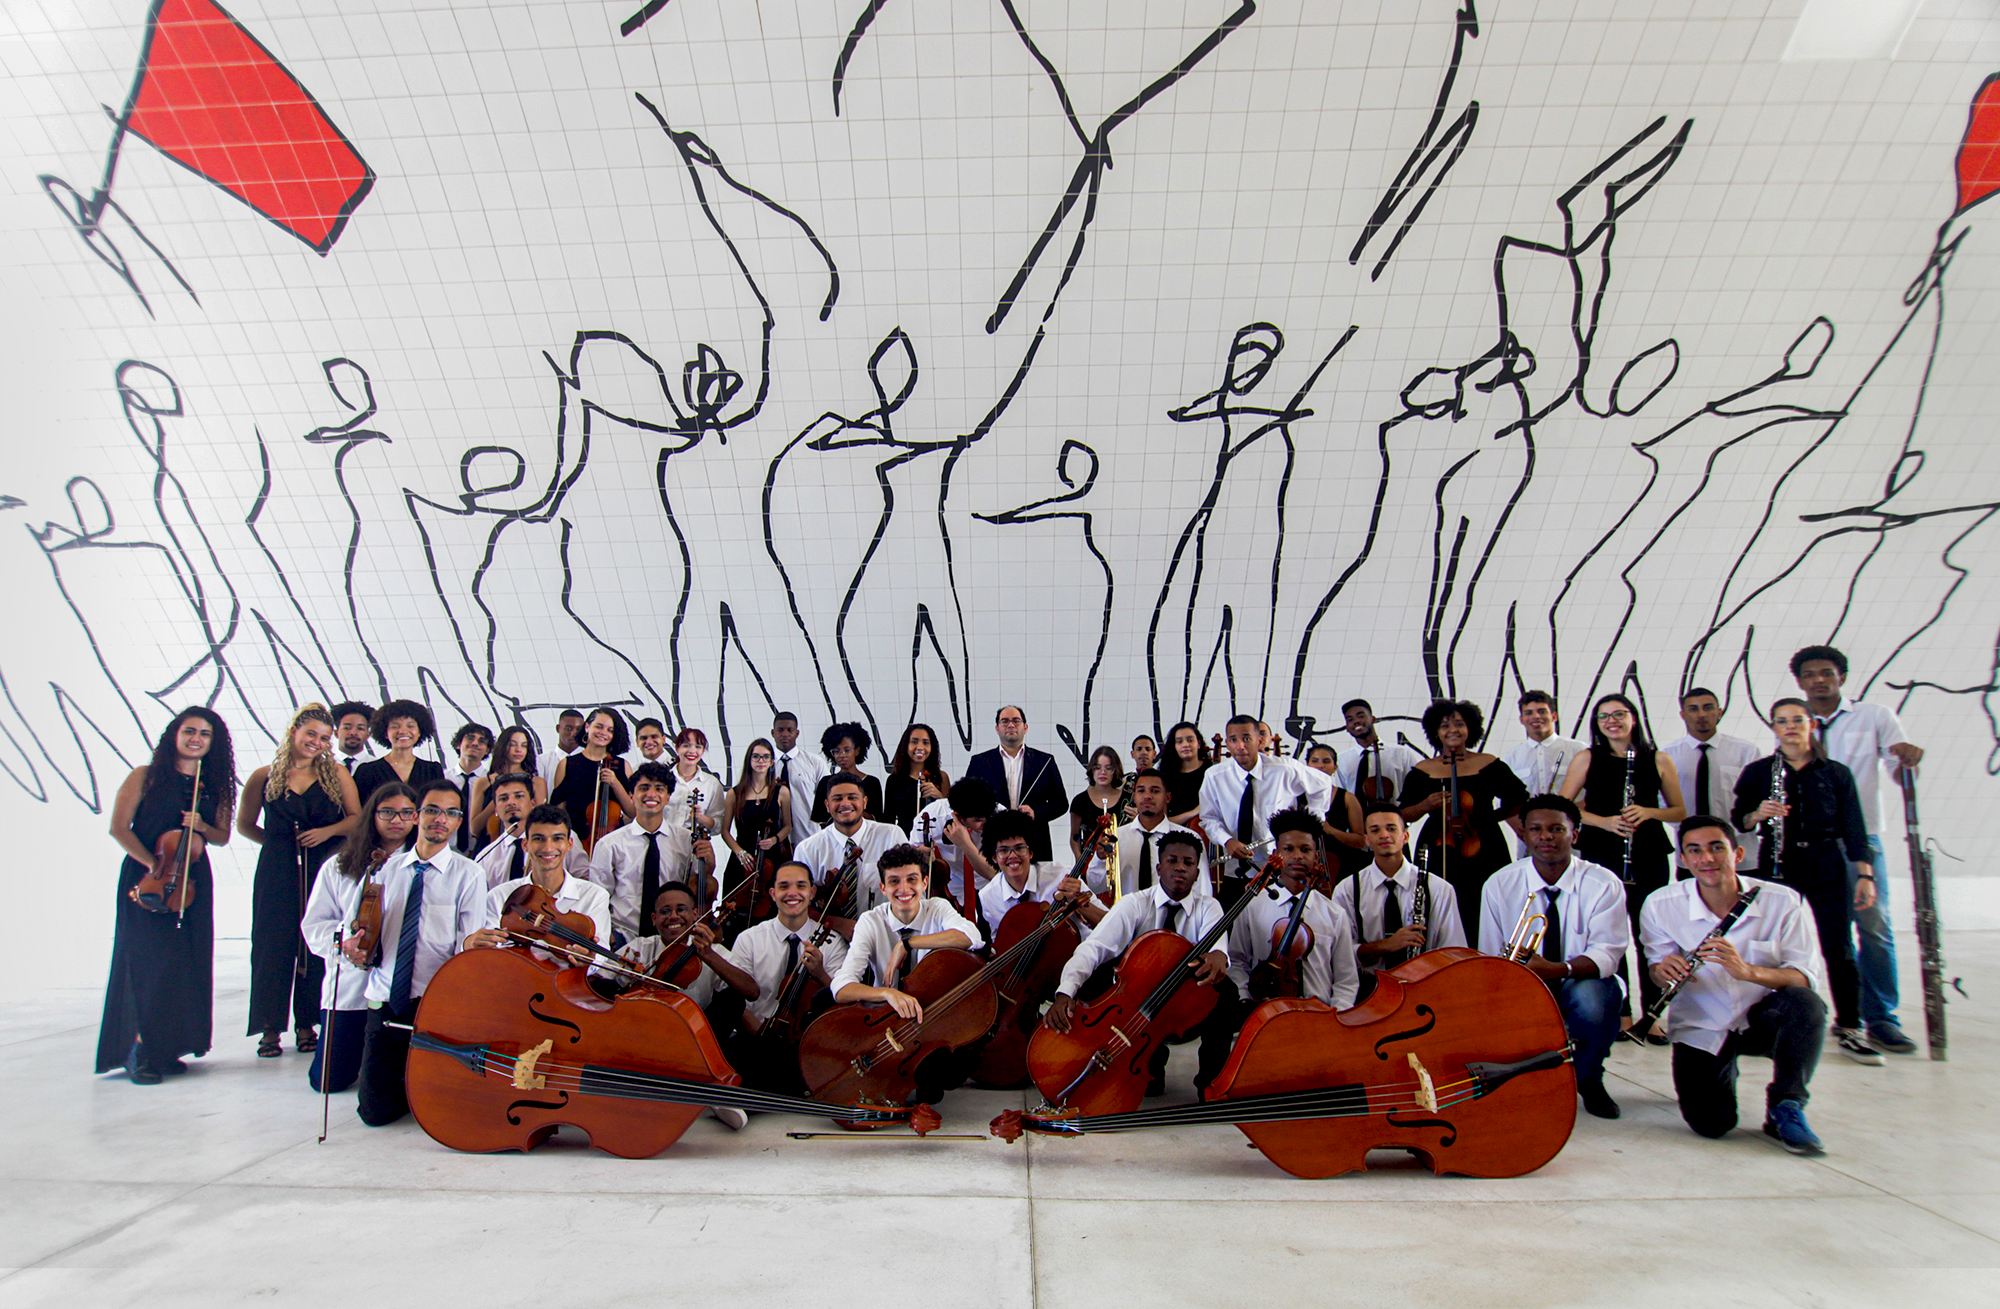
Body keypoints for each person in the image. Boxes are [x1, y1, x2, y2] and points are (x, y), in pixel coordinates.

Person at [1642, 816, 1830, 1154]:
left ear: (1737, 854)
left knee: (1805, 1004)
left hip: (1764, 1019)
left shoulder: (1782, 901)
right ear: (1683, 860)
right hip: (1703, 1022)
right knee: (1712, 1124)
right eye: (1695, 851)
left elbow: (1805, 976)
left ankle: (1787, 1105)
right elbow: (1656, 971)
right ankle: (1721, 1072)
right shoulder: (1660, 905)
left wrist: (1748, 971)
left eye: (1717, 848)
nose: (1707, 859)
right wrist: (1662, 970)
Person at [1794, 644, 1926, 1056]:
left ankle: (1882, 1018)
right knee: (1821, 934)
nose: (1819, 679)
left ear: (1842, 678)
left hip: (1859, 841)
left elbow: (1900, 774)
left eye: (1827, 672)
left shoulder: (1875, 717)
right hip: (1811, 843)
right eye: (1810, 674)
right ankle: (1837, 1015)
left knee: (1874, 927)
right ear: (1800, 682)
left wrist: (1909, 763)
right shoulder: (1796, 720)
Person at [1731, 698, 1879, 1065]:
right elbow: (1739, 820)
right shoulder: (1759, 771)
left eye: (1797, 720)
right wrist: (1757, 814)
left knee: (1838, 945)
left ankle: (1850, 1026)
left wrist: (1864, 873)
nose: (1790, 727)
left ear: (1811, 724)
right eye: (1782, 721)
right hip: (1777, 862)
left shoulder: (1836, 773)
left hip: (1826, 861)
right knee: (1770, 945)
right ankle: (1770, 1021)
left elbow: (1855, 826)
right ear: (1774, 728)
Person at [96, 708, 237, 1084]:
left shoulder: (214, 786)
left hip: (191, 881)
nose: (196, 739)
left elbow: (221, 837)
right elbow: (118, 828)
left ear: (213, 743)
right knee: (147, 962)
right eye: (189, 731)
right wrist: (153, 865)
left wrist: (202, 825)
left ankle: (167, 1047)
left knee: (183, 962)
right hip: (147, 878)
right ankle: (138, 1050)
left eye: (205, 734)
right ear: (173, 735)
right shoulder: (145, 776)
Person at [1476, 795, 1630, 1119]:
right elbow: (1490, 953)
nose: (1546, 836)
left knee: (1594, 1000)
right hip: (1523, 982)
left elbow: (1608, 953)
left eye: (1557, 829)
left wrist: (1558, 969)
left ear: (1574, 834)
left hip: (1581, 979)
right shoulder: (1499, 884)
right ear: (1524, 834)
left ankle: (1588, 1078)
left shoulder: (1604, 883)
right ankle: (1529, 1080)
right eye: (1536, 829)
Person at [344, 781, 487, 1127]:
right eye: (433, 810)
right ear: (416, 816)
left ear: (457, 822)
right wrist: (352, 947)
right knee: (374, 1114)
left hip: (435, 1002)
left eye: (451, 813)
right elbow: (354, 929)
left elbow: (468, 942)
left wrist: (471, 947)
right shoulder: (382, 869)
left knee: (440, 1111)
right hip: (385, 1000)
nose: (441, 819)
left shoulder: (469, 874)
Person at [1044, 832, 1229, 1096]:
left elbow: (1218, 947)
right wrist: (1065, 992)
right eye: (1172, 860)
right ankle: (1132, 1056)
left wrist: (1218, 955)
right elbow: (1093, 948)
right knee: (1095, 979)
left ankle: (1211, 1084)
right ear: (1159, 867)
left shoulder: (1209, 907)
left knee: (1226, 993)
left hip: (1183, 1007)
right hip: (1136, 1003)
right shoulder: (1135, 904)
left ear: (1197, 873)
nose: (1180, 867)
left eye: (1188, 863)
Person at [238, 704, 361, 1059]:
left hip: (321, 865)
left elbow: (355, 819)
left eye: (324, 738)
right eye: (311, 734)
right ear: (294, 732)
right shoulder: (265, 775)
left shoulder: (336, 775)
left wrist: (326, 833)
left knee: (315, 944)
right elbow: (245, 824)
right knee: (271, 945)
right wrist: (277, 846)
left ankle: (307, 1024)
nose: (317, 742)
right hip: (277, 870)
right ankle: (269, 1028)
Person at [1560, 692, 1686, 1024]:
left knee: (1652, 936)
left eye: (1619, 714)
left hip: (1649, 853)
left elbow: (1678, 811)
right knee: (1611, 935)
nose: (1612, 721)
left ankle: (1656, 1016)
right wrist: (1605, 822)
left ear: (1633, 718)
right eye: (1604, 716)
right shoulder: (1587, 758)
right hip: (1603, 851)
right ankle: (1622, 1012)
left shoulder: (1658, 759)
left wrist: (1648, 811)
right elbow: (1564, 808)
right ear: (1596, 723)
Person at [827, 844, 985, 1103]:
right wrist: (887, 993)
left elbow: (972, 936)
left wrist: (908, 944)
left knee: (947, 1077)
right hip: (884, 1021)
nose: (903, 889)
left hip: (928, 1022)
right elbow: (841, 987)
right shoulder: (870, 920)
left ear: (924, 883)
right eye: (894, 882)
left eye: (912, 880)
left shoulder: (937, 907)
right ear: (883, 888)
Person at [300, 782, 417, 1094]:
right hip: (349, 987)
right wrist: (342, 943)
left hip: (396, 990)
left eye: (407, 813)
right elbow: (315, 925)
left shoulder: (419, 868)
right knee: (328, 1081)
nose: (397, 820)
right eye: (388, 812)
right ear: (372, 816)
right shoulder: (339, 866)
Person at [1397, 698, 1528, 935]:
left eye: (1459, 724)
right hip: (1438, 844)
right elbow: (1404, 814)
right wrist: (1427, 804)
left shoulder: (1488, 763)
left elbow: (1519, 799)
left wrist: (1489, 818)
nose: (1453, 730)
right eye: (1445, 725)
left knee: (1488, 899)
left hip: (1484, 841)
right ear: (1436, 732)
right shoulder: (1423, 769)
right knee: (1439, 901)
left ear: (1471, 729)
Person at [725, 862, 850, 1093]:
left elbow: (841, 1003)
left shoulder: (832, 941)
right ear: (772, 894)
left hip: (806, 1044)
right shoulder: (749, 939)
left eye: (800, 886)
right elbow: (735, 999)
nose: (792, 893)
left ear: (812, 892)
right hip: (755, 1037)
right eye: (784, 887)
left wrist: (820, 973)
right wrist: (760, 1035)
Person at [1227, 809, 1360, 1014]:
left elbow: (1346, 979)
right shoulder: (1252, 906)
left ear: (1316, 857)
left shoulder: (1335, 914)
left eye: (1305, 849)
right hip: (1265, 1014)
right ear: (1275, 855)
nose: (1297, 856)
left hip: (1319, 1015)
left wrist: (1336, 1015)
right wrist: (1245, 1001)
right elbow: (1238, 962)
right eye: (1288, 849)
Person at [1330, 804, 1465, 1000]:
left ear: (1405, 836)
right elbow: (1340, 954)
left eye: (1391, 828)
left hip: (1425, 990)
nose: (1384, 835)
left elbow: (1453, 952)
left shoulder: (1438, 888)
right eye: (1375, 830)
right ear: (1366, 839)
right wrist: (1388, 945)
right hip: (1368, 991)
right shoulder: (1348, 889)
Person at [1198, 714, 1330, 904]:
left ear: (1259, 740)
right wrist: (1227, 841)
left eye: (1246, 739)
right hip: (1236, 869)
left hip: (1279, 868)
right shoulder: (1214, 776)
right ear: (1227, 742)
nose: (1240, 746)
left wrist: (1309, 825)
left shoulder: (1284, 769)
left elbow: (1323, 785)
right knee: (1230, 924)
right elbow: (1209, 819)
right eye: (1233, 740)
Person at [465, 804, 613, 957]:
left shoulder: (594, 896)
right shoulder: (499, 896)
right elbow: (488, 953)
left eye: (557, 839)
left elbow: (600, 956)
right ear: (525, 844)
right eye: (538, 839)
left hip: (568, 978)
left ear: (569, 844)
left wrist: (589, 960)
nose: (548, 848)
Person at [595, 762, 711, 944]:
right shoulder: (609, 844)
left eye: (659, 789)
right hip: (623, 936)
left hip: (673, 936)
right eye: (644, 788)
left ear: (667, 797)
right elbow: (598, 897)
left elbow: (701, 886)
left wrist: (709, 860)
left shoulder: (687, 840)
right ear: (631, 796)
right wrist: (605, 933)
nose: (651, 794)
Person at [793, 778, 910, 938]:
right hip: (828, 938)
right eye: (837, 799)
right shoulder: (807, 849)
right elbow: (798, 905)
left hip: (885, 934)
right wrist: (840, 925)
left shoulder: (891, 835)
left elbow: (911, 888)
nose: (845, 804)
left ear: (865, 802)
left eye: (852, 797)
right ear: (827, 806)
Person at [1660, 689, 1759, 861]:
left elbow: (1756, 799)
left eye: (1708, 708)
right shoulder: (1668, 755)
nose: (1701, 714)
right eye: (1693, 709)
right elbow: (1661, 801)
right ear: (1683, 715)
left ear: (1719, 712)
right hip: (1692, 853)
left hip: (1739, 850)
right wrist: (1687, 830)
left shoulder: (1745, 751)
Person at [1085, 768, 1211, 901]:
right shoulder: (1117, 837)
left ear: (1167, 797)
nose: (1147, 796)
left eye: (1155, 791)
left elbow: (1203, 891)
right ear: (1134, 796)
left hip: (1174, 918)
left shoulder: (1188, 839)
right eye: (1141, 791)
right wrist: (1100, 859)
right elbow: (1095, 886)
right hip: (1129, 917)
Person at [964, 706, 1068, 861]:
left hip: (1034, 843)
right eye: (1004, 721)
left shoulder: (1045, 761)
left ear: (1025, 727)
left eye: (1016, 721)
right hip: (994, 843)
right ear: (997, 728)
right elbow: (968, 802)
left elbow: (1061, 804)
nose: (1010, 725)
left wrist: (1035, 813)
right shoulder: (979, 762)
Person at [980, 810, 1107, 934]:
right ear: (994, 857)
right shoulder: (988, 896)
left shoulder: (1062, 876)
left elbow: (1110, 925)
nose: (1012, 855)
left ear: (1031, 852)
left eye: (1019, 848)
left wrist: (1079, 902)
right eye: (1003, 850)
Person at [1500, 691, 1585, 856]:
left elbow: (1592, 794)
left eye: (1542, 711)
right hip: (1530, 843)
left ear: (1554, 716)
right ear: (1521, 719)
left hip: (1573, 838)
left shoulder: (1578, 750)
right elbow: (1506, 804)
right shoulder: (1512, 757)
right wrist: (1525, 832)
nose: (1535, 717)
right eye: (1528, 713)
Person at [477, 771, 591, 891]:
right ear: (495, 809)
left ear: (533, 803)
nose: (511, 802)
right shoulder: (486, 856)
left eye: (519, 796)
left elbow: (584, 879)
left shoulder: (561, 837)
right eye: (503, 798)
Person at [719, 737, 794, 910]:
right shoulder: (734, 793)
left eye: (765, 757)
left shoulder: (781, 792)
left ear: (772, 761)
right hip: (742, 858)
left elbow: (788, 826)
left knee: (771, 908)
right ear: (749, 760)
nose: (761, 761)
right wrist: (739, 852)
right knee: (734, 909)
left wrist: (775, 839)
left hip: (771, 857)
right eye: (756, 757)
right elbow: (725, 831)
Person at [911, 776, 1001, 905]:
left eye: (988, 817)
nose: (985, 823)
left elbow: (994, 875)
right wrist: (919, 855)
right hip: (948, 887)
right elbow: (910, 857)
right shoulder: (932, 816)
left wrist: (965, 844)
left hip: (988, 885)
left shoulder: (999, 816)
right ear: (958, 815)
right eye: (978, 820)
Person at [550, 707, 630, 844]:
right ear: (587, 727)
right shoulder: (567, 764)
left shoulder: (622, 765)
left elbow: (633, 812)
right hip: (574, 841)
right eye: (599, 727)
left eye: (610, 730)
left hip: (613, 841)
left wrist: (615, 782)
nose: (603, 733)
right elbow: (559, 812)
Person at [1334, 699, 1424, 806]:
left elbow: (1415, 789)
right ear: (1347, 727)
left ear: (1373, 719)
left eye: (1361, 716)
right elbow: (1342, 797)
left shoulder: (1401, 753)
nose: (1356, 721)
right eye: (1350, 719)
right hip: (1357, 821)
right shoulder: (1342, 759)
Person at [352, 699, 445, 797]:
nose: (403, 731)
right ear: (385, 733)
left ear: (419, 732)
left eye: (410, 726)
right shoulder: (367, 771)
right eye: (395, 726)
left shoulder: (433, 770)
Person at [468, 727, 546, 840]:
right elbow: (474, 828)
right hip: (490, 843)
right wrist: (498, 801)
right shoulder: (483, 782)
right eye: (513, 745)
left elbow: (540, 822)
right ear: (503, 747)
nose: (519, 750)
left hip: (525, 842)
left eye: (523, 745)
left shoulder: (536, 782)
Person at [1304, 742, 1369, 877]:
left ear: (1335, 768)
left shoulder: (1348, 798)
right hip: (1304, 864)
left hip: (1340, 864)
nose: (1320, 765)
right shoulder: (1295, 796)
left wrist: (1330, 830)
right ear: (1307, 766)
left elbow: (1359, 841)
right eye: (1314, 761)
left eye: (1326, 761)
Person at [810, 722, 885, 825]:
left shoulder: (871, 782)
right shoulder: (825, 782)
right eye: (836, 751)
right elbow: (820, 819)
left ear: (857, 751)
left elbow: (877, 818)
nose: (842, 755)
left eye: (847, 750)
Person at [884, 722, 950, 833]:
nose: (920, 747)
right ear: (906, 745)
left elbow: (950, 815)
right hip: (905, 842)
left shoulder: (941, 777)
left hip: (935, 840)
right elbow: (888, 820)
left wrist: (939, 797)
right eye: (914, 742)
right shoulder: (894, 780)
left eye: (925, 743)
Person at [770, 711, 827, 842]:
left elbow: (826, 798)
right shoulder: (764, 764)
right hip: (773, 840)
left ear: (797, 733)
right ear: (773, 733)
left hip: (808, 836)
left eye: (790, 730)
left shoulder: (814, 762)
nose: (785, 734)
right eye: (780, 730)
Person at [1068, 746, 1126, 862]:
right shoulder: (1079, 801)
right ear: (1092, 770)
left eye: (1108, 768)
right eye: (1098, 768)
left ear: (1115, 770)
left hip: (1122, 859)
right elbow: (1075, 836)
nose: (1102, 772)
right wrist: (1081, 861)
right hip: (1090, 861)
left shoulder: (1127, 799)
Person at [441, 722, 492, 854]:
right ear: (459, 744)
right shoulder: (442, 778)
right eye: (470, 738)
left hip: (482, 849)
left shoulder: (492, 782)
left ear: (487, 750)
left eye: (482, 741)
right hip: (445, 848)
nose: (475, 743)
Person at [1159, 720, 1211, 827]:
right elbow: (1163, 822)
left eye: (1190, 740)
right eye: (1179, 741)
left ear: (1199, 744)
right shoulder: (1166, 776)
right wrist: (1193, 813)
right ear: (1174, 746)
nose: (1185, 745)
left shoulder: (1211, 772)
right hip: (1174, 834)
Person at [537, 709, 586, 788]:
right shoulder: (542, 761)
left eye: (578, 729)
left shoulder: (589, 760)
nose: (574, 734)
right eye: (568, 729)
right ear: (558, 728)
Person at [330, 701, 375, 774]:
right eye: (347, 728)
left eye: (360, 728)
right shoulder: (323, 765)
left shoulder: (376, 767)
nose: (353, 733)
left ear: (368, 735)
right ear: (336, 733)